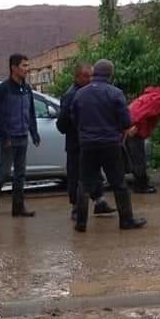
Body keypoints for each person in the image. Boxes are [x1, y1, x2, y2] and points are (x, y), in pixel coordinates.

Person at [70, 59, 147, 233]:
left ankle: (81, 223)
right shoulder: (115, 93)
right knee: (118, 182)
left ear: (94, 73)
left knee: (84, 183)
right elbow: (126, 121)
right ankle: (126, 220)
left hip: (87, 145)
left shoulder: (80, 94)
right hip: (110, 144)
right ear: (110, 74)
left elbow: (74, 118)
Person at [56, 62, 115, 220]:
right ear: (77, 77)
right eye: (86, 76)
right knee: (76, 176)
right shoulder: (71, 95)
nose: (90, 79)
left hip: (90, 141)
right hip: (76, 143)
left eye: (92, 76)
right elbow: (62, 123)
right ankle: (76, 208)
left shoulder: (90, 92)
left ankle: (99, 202)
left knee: (95, 173)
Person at [0, 53, 40, 217]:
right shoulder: (3, 89)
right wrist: (5, 137)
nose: (27, 69)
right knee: (4, 173)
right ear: (14, 68)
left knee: (20, 174)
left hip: (22, 136)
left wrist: (34, 132)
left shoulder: (27, 89)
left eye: (27, 65)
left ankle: (18, 208)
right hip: (8, 139)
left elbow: (31, 112)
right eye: (24, 66)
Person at [124, 86, 160, 194]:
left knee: (134, 156)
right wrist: (136, 126)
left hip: (130, 124)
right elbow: (142, 113)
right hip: (135, 127)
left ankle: (139, 181)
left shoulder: (153, 96)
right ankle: (140, 186)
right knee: (138, 157)